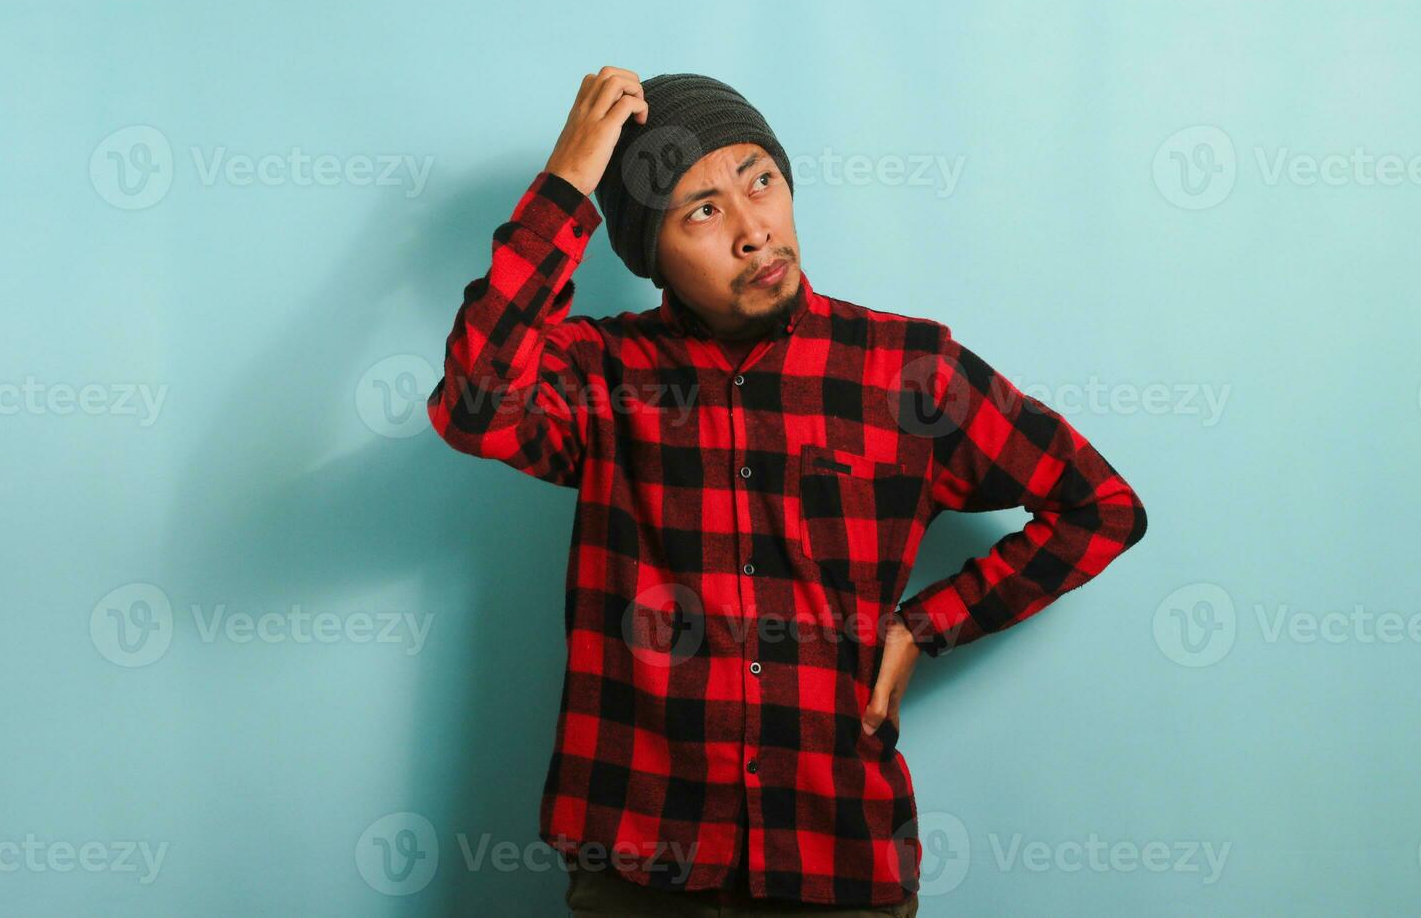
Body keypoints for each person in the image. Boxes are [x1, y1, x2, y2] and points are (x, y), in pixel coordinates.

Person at [427, 68, 1148, 917]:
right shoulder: (603, 376)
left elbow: (1101, 508)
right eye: (702, 210)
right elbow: (476, 406)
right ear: (647, 254)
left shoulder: (907, 371)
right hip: (640, 861)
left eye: (760, 181)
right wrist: (567, 186)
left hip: (836, 857)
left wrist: (925, 625)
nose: (752, 230)